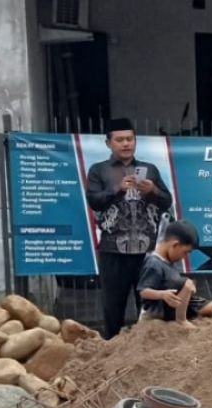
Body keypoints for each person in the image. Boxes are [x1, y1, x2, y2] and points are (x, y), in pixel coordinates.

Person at [86, 118, 173, 339]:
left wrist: (153, 191)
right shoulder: (99, 170)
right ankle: (112, 349)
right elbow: (94, 201)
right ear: (108, 143)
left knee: (150, 309)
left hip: (147, 253)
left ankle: (149, 350)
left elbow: (167, 201)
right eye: (120, 140)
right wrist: (117, 189)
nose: (126, 144)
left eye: (130, 139)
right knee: (113, 308)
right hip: (112, 251)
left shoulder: (149, 170)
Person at [137, 220, 212, 327]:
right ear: (175, 245)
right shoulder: (153, 264)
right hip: (160, 309)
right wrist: (162, 295)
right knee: (187, 284)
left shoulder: (169, 261)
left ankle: (190, 321)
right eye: (185, 252)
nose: (184, 257)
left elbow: (172, 282)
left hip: (175, 303)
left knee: (210, 308)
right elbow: (143, 291)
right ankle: (181, 321)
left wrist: (188, 289)